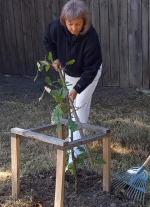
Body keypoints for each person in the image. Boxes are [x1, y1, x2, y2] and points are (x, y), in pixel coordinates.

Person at [43, 0, 102, 162]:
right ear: (64, 22)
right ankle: (77, 145)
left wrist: (77, 89)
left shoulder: (91, 37)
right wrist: (55, 57)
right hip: (70, 72)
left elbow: (91, 70)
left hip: (89, 74)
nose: (74, 28)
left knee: (80, 107)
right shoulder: (57, 27)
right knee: (71, 110)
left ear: (84, 21)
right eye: (70, 24)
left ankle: (74, 154)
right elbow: (48, 39)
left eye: (78, 24)